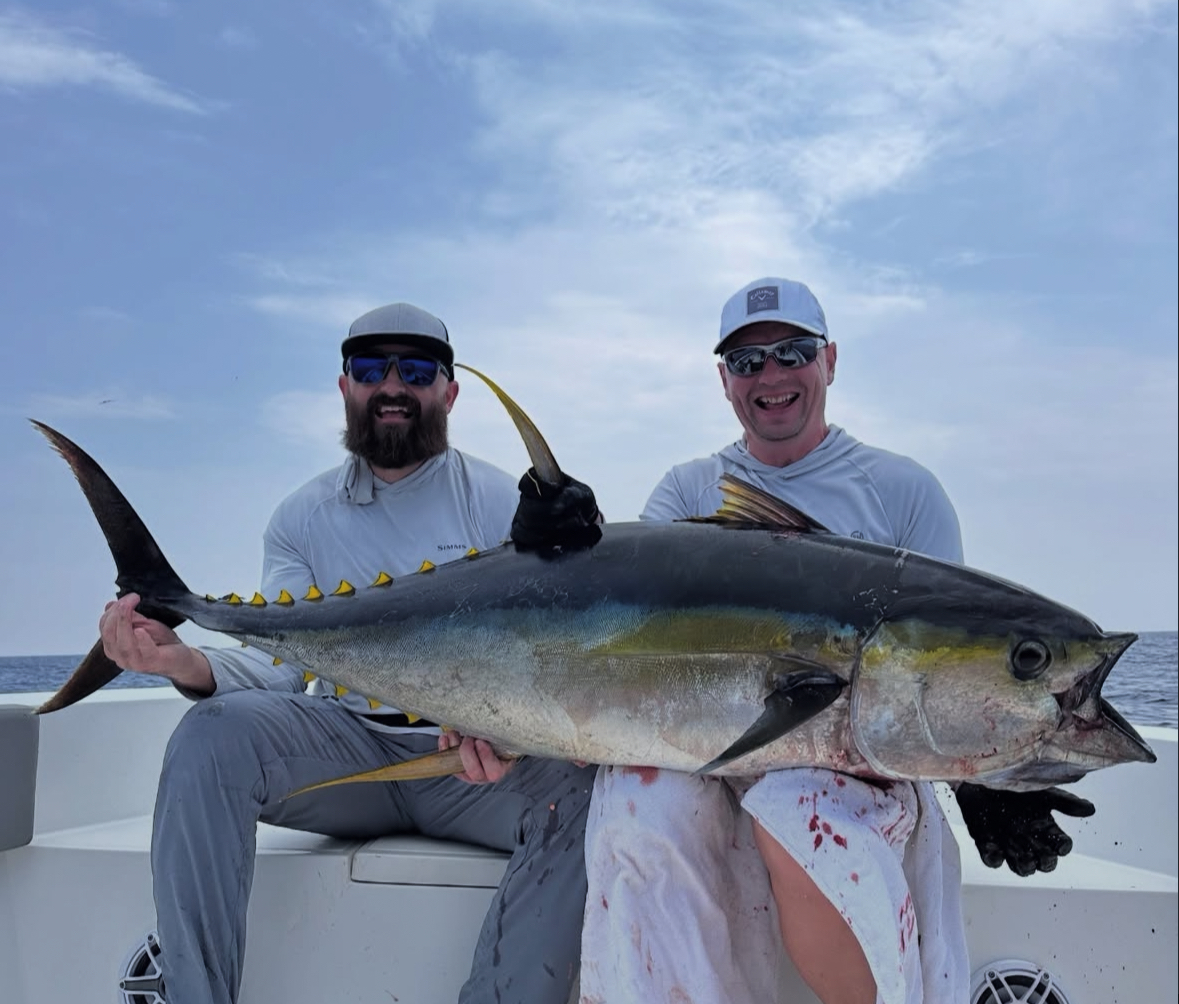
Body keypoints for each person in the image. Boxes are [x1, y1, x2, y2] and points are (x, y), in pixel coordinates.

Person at [576, 277, 1096, 1004]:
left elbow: (947, 666)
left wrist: (980, 779)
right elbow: (630, 638)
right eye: (748, 361)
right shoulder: (685, 493)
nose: (771, 375)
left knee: (799, 805)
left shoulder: (901, 490)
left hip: (856, 769)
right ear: (724, 380)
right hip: (705, 752)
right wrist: (564, 547)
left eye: (791, 351)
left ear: (829, 359)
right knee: (637, 804)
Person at [98, 302, 598, 1004]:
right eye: (370, 367)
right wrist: (182, 662)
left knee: (585, 795)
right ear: (344, 387)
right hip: (348, 751)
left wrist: (512, 725)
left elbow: (553, 650)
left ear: (448, 392)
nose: (392, 384)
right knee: (209, 737)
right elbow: (282, 671)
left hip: (473, 765)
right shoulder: (301, 516)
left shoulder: (498, 502)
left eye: (417, 368)